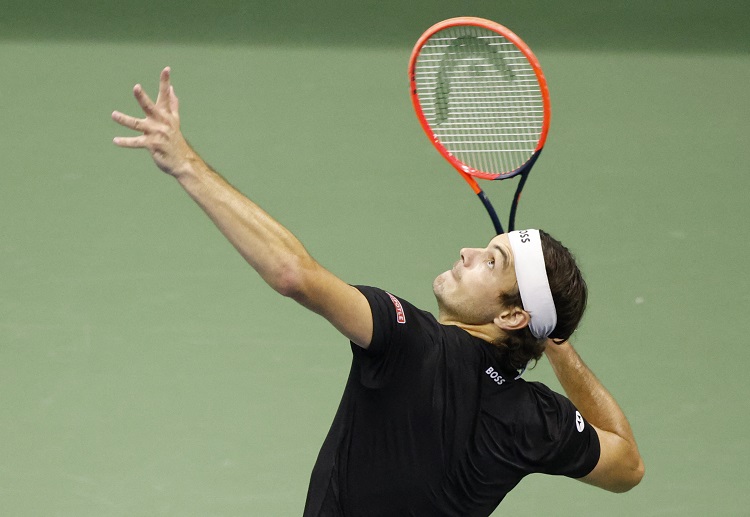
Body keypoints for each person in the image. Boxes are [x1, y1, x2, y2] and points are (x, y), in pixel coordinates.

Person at [112, 67, 644, 516]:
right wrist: (554, 342)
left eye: (491, 261)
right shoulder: (538, 418)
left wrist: (185, 163)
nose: (466, 253)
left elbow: (294, 274)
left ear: (511, 317)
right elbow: (627, 466)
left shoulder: (411, 342)